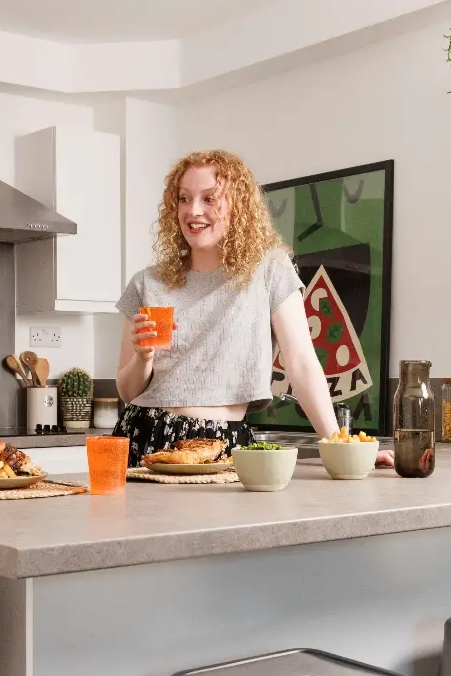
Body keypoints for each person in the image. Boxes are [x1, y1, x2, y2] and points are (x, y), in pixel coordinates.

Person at [113, 149, 395, 467]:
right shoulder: (146, 283)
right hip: (145, 437)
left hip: (227, 443)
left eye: (209, 198)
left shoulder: (269, 269)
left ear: (238, 205)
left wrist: (341, 448)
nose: (193, 211)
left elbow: (301, 362)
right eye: (183, 198)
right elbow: (127, 390)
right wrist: (143, 357)